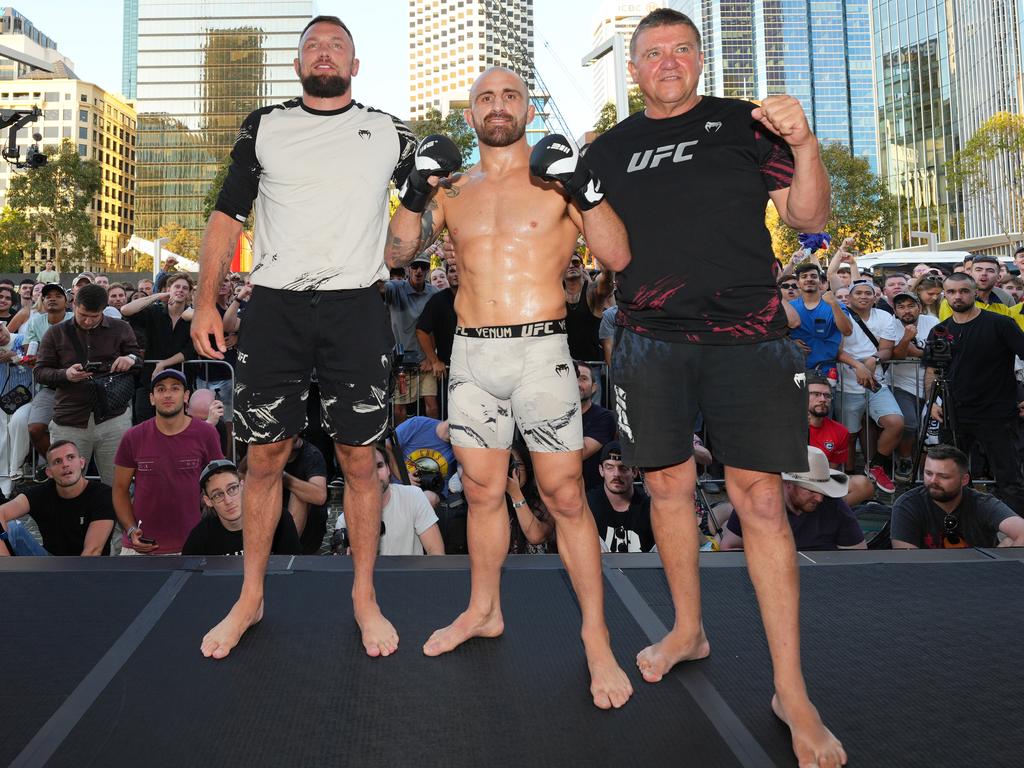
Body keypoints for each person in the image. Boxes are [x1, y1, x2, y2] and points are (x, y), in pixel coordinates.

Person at [583, 9, 846, 764]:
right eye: (652, 52)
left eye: (681, 50)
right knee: (667, 492)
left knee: (761, 500)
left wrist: (803, 140)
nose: (667, 61)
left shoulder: (749, 124)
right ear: (631, 69)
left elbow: (809, 216)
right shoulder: (609, 148)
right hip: (648, 342)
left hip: (750, 337)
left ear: (700, 61)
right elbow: (607, 254)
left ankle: (790, 692)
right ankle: (688, 628)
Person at [385, 65, 634, 709]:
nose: (498, 106)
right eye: (485, 98)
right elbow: (394, 255)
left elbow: (615, 256)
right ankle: (483, 609)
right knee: (481, 490)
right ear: (471, 115)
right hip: (471, 358)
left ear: (529, 107)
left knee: (565, 495)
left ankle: (596, 637)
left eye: (510, 96)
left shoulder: (557, 181)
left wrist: (584, 188)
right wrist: (413, 194)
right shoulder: (453, 188)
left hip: (542, 353)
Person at [190, 15, 416, 660]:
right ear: (296, 63)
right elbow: (224, 219)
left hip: (356, 309)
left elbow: (405, 242)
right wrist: (206, 300)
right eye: (313, 45)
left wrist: (424, 193)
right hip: (276, 308)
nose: (325, 53)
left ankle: (364, 595)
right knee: (263, 457)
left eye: (337, 44)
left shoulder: (391, 133)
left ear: (355, 62)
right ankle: (251, 595)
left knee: (359, 462)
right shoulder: (265, 125)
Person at [927, 273, 1024, 516]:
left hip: (998, 413)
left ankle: (1016, 533)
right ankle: (958, 525)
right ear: (945, 295)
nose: (957, 296)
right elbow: (931, 370)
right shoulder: (939, 331)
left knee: (1009, 477)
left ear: (974, 293)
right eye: (951, 292)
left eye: (963, 291)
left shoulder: (1000, 323)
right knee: (951, 475)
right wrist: (932, 403)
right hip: (953, 413)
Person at [33, 284, 141, 487]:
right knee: (67, 485)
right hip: (70, 418)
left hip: (113, 417)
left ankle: (117, 520)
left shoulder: (121, 328)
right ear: (74, 305)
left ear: (104, 309)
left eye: (95, 315)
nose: (88, 320)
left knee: (119, 485)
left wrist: (131, 359)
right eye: (83, 314)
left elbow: (139, 357)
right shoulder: (55, 333)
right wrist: (65, 374)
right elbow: (40, 372)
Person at [113, 369, 223, 554]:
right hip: (140, 547)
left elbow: (220, 483)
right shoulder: (133, 437)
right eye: (161, 389)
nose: (168, 394)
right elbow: (119, 489)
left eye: (175, 388)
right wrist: (131, 529)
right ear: (151, 398)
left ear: (186, 395)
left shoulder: (206, 433)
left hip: (193, 544)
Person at [720, 446, 866, 551]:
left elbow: (857, 555)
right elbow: (728, 547)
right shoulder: (756, 504)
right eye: (811, 490)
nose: (820, 498)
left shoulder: (834, 505)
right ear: (788, 483)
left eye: (822, 490)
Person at [835, 279, 903, 493]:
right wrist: (859, 366)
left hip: (876, 384)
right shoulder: (841, 315)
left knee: (896, 423)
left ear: (875, 297)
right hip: (846, 385)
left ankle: (875, 466)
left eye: (868, 293)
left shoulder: (884, 316)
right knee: (849, 434)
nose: (863, 296)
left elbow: (886, 349)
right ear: (850, 297)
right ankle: (848, 480)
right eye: (858, 293)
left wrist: (873, 359)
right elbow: (835, 350)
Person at [891, 445, 1024, 548]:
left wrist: (1000, 565)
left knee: (1008, 542)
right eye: (928, 473)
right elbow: (906, 562)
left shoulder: (981, 503)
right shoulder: (907, 505)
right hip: (928, 578)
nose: (933, 481)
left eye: (943, 476)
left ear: (964, 480)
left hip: (978, 577)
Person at [0, 440, 115, 556]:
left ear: (82, 462)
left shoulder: (102, 495)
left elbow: (93, 551)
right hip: (50, 564)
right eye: (57, 461)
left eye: (70, 457)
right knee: (13, 528)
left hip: (89, 567)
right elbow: (1, 512)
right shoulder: (41, 493)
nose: (65, 464)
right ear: (49, 472)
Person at [334, 443, 445, 555]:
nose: (374, 475)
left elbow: (436, 552)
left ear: (388, 470)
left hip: (411, 572)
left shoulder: (413, 497)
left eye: (379, 466)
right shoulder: (345, 520)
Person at [183, 459, 301, 556]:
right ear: (208, 501)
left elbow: (295, 572)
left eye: (232, 489)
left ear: (243, 486)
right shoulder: (200, 538)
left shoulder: (278, 520)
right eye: (218, 495)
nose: (228, 500)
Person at [889, 291, 941, 480]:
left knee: (930, 430)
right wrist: (906, 339)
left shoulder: (932, 321)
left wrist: (919, 352)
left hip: (932, 384)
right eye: (901, 307)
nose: (906, 310)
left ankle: (926, 471)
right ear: (895, 311)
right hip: (902, 384)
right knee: (909, 423)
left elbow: (939, 350)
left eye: (911, 305)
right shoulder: (891, 324)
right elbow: (898, 355)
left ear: (919, 306)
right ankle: (904, 459)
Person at [384, 253, 439, 421]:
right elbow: (381, 288)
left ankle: (433, 441)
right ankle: (401, 443)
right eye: (414, 266)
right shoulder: (395, 288)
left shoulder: (434, 292)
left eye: (423, 267)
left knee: (433, 405)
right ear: (408, 268)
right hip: (401, 362)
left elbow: (436, 327)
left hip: (425, 360)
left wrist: (431, 358)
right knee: (400, 408)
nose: (418, 271)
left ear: (429, 270)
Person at [806, 376, 875, 505]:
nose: (822, 399)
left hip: (820, 481)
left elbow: (832, 470)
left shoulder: (840, 431)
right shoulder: (789, 426)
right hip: (793, 480)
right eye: (816, 394)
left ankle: (831, 511)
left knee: (864, 485)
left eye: (827, 396)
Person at [587, 441, 654, 553]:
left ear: (634, 472)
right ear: (601, 470)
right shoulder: (588, 505)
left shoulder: (649, 507)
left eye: (623, 468)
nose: (616, 474)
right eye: (610, 467)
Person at [788, 262, 851, 377]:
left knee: (823, 396)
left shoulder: (835, 304)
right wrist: (790, 343)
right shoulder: (789, 307)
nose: (809, 279)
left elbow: (847, 331)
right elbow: (776, 335)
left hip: (825, 372)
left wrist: (833, 304)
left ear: (820, 281)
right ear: (798, 283)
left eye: (813, 276)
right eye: (804, 276)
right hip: (795, 371)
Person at [416, 259, 459, 404]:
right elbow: (422, 330)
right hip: (448, 368)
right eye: (452, 271)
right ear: (447, 275)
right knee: (448, 415)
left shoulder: (476, 297)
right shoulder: (438, 300)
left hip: (476, 368)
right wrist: (434, 360)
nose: (456, 274)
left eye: (459, 270)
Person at [390, 415, 456, 508]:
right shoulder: (417, 424)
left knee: (430, 498)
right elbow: (387, 446)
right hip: (397, 487)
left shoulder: (461, 448)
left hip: (430, 493)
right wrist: (403, 476)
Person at [564, 252, 614, 363]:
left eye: (575, 262)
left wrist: (606, 263)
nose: (571, 265)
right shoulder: (555, 294)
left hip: (591, 365)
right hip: (564, 366)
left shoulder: (592, 291)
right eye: (566, 263)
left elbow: (606, 282)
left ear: (582, 267)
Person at [577, 360, 617, 490]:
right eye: (572, 378)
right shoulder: (553, 415)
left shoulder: (604, 417)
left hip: (591, 493)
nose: (576, 383)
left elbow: (581, 453)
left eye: (583, 378)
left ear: (594, 387)